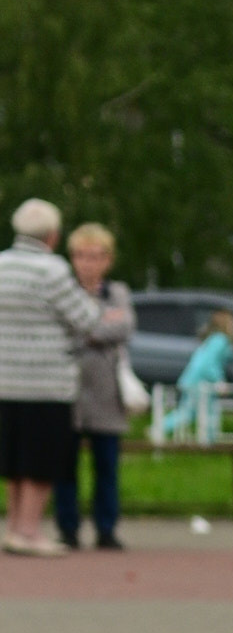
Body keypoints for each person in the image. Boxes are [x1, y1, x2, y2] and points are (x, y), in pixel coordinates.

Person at [0, 196, 110, 555]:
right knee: (40, 460)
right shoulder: (52, 270)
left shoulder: (1, 265)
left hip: (5, 380)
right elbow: (86, 319)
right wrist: (91, 299)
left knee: (14, 461)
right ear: (52, 235)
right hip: (46, 382)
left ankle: (13, 527)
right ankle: (30, 531)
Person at [56, 222, 134, 551]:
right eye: (81, 255)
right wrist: (99, 327)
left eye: (95, 256)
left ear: (108, 260)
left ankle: (106, 528)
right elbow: (62, 330)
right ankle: (67, 528)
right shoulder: (63, 291)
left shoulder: (117, 293)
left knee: (106, 465)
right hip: (68, 389)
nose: (88, 263)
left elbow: (124, 327)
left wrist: (86, 329)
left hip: (106, 392)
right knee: (64, 465)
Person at [163, 310, 233, 437]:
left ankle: (160, 428)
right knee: (196, 413)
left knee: (191, 412)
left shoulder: (213, 339)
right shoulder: (220, 340)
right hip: (199, 382)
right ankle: (159, 429)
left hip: (191, 380)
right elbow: (209, 364)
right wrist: (219, 381)